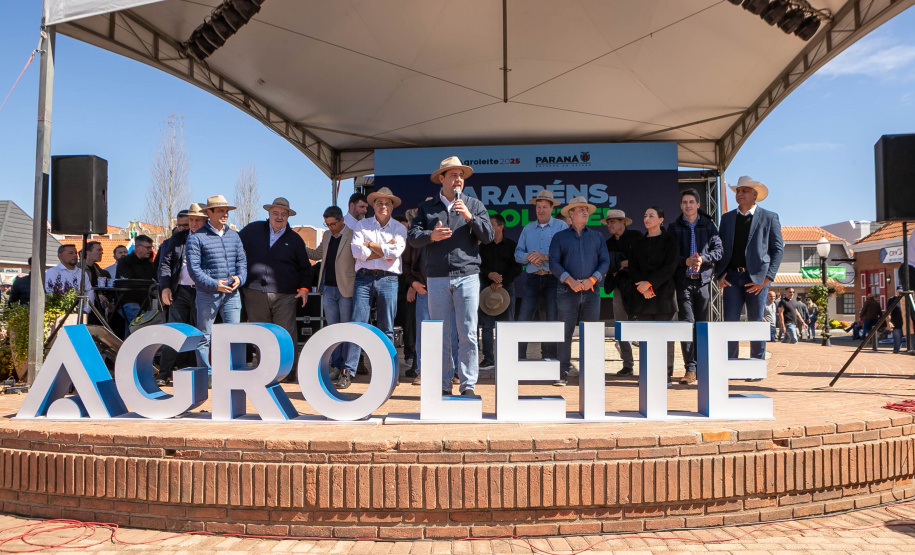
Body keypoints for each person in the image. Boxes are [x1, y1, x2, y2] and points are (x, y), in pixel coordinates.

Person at [408, 156, 494, 396]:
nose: (458, 180)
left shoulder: (474, 205)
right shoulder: (427, 208)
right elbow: (413, 237)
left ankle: (467, 385)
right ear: (442, 179)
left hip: (467, 275)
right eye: (453, 175)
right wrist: (430, 236)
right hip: (437, 278)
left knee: (467, 332)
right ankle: (444, 384)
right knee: (442, 334)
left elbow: (488, 236)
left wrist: (469, 216)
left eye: (461, 176)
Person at [239, 197, 313, 374]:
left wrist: (304, 289)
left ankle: (288, 372)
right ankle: (264, 371)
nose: (279, 217)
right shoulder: (252, 230)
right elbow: (233, 246)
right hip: (254, 293)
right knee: (261, 335)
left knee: (285, 335)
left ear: (288, 216)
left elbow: (305, 267)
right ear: (269, 214)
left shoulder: (295, 239)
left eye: (283, 214)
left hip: (285, 296)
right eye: (275, 213)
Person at [716, 176, 784, 366]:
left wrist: (767, 278)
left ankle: (756, 366)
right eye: (738, 191)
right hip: (731, 277)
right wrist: (719, 275)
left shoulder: (770, 217)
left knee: (755, 322)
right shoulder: (727, 218)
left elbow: (778, 249)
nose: (740, 194)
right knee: (730, 322)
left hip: (758, 279)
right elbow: (720, 249)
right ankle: (731, 364)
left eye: (744, 191)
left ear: (755, 194)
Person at [345, 187, 408, 389]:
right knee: (357, 324)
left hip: (388, 279)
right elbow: (357, 252)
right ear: (374, 205)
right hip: (364, 278)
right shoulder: (362, 225)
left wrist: (370, 244)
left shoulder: (399, 228)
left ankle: (388, 372)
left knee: (387, 327)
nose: (383, 206)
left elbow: (396, 252)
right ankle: (349, 370)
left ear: (392, 206)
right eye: (379, 203)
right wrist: (383, 250)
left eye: (387, 203)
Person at [549, 197, 612, 386]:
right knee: (565, 333)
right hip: (566, 291)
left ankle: (590, 372)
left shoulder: (597, 236)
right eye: (580, 210)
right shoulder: (560, 237)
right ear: (571, 214)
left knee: (590, 332)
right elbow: (554, 263)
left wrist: (592, 279)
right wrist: (570, 280)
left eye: (587, 210)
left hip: (591, 292)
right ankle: (562, 372)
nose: (585, 212)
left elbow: (605, 262)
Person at [669, 189, 723, 385]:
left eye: (692, 202)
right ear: (681, 205)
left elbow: (719, 251)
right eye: (684, 202)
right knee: (687, 324)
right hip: (683, 282)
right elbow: (669, 255)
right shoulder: (674, 227)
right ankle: (690, 369)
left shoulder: (708, 226)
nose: (688, 205)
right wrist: (685, 261)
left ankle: (702, 366)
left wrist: (703, 258)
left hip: (703, 282)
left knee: (700, 326)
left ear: (698, 204)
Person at [186, 195, 247, 367]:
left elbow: (242, 261)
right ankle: (207, 374)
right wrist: (215, 284)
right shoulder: (196, 238)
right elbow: (194, 269)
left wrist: (240, 278)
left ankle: (233, 372)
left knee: (234, 335)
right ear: (209, 213)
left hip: (232, 293)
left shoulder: (234, 236)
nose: (225, 214)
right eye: (220, 210)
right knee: (204, 336)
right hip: (207, 294)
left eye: (226, 211)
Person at [157, 203, 208, 384]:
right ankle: (164, 373)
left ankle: (199, 374)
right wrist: (165, 287)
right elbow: (165, 264)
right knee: (174, 331)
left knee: (201, 334)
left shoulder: (212, 238)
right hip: (180, 291)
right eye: (190, 220)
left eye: (196, 220)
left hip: (203, 292)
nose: (193, 224)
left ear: (205, 220)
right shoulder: (178, 238)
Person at [514, 190, 566, 363]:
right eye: (538, 207)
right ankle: (519, 359)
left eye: (545, 207)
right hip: (533, 279)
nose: (541, 210)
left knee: (552, 319)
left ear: (552, 208)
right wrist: (528, 256)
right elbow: (517, 254)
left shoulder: (561, 226)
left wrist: (545, 256)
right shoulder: (528, 228)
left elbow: (567, 253)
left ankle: (551, 360)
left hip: (554, 279)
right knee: (524, 318)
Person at [628, 206, 679, 381]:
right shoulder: (637, 243)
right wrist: (643, 287)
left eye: (651, 215)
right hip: (643, 297)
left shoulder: (670, 240)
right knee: (646, 339)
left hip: (664, 296)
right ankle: (648, 375)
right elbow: (633, 268)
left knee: (665, 339)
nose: (647, 218)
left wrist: (650, 284)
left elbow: (670, 267)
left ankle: (665, 376)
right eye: (645, 215)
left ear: (661, 219)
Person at [306, 206, 357, 381]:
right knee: (333, 331)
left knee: (346, 330)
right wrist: (300, 245)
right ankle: (335, 365)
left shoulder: (353, 234)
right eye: (327, 224)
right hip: (327, 289)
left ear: (342, 220)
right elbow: (317, 254)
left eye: (333, 224)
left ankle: (346, 369)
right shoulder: (327, 235)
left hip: (346, 288)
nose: (330, 228)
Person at [478, 213, 522, 370]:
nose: (488, 227)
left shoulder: (511, 245)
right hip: (486, 288)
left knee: (507, 324)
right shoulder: (482, 246)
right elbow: (477, 266)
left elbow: (518, 267)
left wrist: (502, 281)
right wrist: (489, 275)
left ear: (501, 226)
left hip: (506, 288)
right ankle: (488, 358)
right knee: (487, 326)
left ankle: (507, 357)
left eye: (491, 224)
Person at [603, 209, 641, 375]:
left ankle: (648, 363)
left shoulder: (636, 236)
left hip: (639, 286)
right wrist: (621, 264)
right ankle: (628, 364)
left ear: (623, 222)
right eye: (608, 222)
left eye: (613, 221)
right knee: (620, 325)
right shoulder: (608, 243)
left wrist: (619, 264)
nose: (610, 224)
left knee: (642, 325)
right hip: (618, 287)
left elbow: (641, 260)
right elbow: (605, 265)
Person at [116, 234, 157, 333]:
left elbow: (156, 278)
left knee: (132, 329)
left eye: (151, 247)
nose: (150, 250)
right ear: (138, 247)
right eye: (147, 247)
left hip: (145, 302)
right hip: (128, 301)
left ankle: (127, 347)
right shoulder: (125, 262)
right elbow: (126, 283)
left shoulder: (148, 264)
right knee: (141, 326)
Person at [81, 241, 111, 325]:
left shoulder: (99, 270)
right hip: (86, 307)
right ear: (88, 252)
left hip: (98, 307)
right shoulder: (79, 269)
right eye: (98, 250)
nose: (102, 252)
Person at [886, 286, 906, 354]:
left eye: (902, 292)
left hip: (907, 323)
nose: (900, 293)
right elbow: (888, 312)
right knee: (897, 340)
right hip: (896, 323)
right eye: (899, 292)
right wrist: (889, 322)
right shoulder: (892, 300)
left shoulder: (907, 299)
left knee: (911, 339)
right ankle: (896, 351)